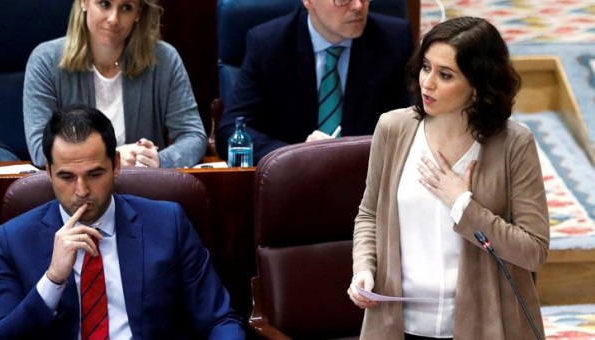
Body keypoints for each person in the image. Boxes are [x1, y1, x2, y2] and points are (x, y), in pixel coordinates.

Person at [347, 17, 550, 339]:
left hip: (482, 323)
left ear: (478, 86)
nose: (427, 83)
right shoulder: (393, 128)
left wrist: (463, 205)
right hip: (398, 324)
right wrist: (363, 269)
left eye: (445, 75)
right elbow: (370, 214)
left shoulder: (514, 144)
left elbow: (533, 250)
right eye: (426, 67)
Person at [0, 104, 245, 339]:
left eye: (95, 174)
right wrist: (52, 280)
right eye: (66, 177)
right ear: (49, 172)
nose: (82, 190)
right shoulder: (13, 240)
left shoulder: (168, 223)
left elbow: (219, 320)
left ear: (116, 165)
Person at [216, 0, 414, 165]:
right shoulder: (269, 44)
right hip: (291, 186)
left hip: (367, 185)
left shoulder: (393, 40)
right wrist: (295, 154)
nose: (357, 6)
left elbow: (415, 123)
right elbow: (230, 131)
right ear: (308, 2)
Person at [24, 0, 207, 169]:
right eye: (105, 4)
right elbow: (41, 149)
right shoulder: (46, 61)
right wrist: (112, 157)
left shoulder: (164, 59)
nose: (113, 19)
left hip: (143, 188)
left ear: (138, 13)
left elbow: (193, 136)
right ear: (84, 2)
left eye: (126, 7)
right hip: (76, 192)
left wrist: (159, 161)